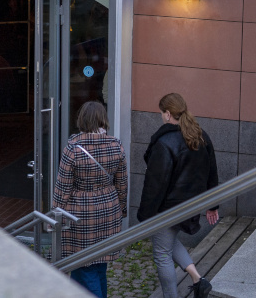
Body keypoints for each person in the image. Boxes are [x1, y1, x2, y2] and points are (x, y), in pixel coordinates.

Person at [138, 93, 219, 298]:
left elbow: (154, 184)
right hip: (189, 206)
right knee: (169, 242)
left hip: (166, 208)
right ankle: (198, 280)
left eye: (160, 113)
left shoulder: (164, 142)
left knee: (161, 253)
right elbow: (212, 171)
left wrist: (145, 215)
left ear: (167, 114)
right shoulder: (201, 135)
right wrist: (212, 205)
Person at [53, 101, 128, 298]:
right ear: (103, 119)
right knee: (98, 266)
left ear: (82, 119)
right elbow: (122, 184)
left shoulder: (73, 148)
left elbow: (62, 189)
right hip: (109, 209)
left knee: (85, 267)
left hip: (81, 214)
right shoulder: (116, 145)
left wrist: (55, 215)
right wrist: (121, 209)